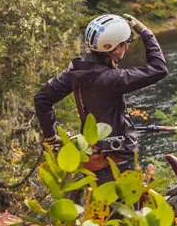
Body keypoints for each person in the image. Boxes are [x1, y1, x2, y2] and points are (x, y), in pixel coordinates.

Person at [34, 13, 167, 179]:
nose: (127, 48)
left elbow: (42, 98)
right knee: (125, 204)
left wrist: (50, 136)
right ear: (116, 49)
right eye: (125, 44)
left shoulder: (76, 71)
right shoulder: (111, 79)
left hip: (90, 155)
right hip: (118, 160)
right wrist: (147, 33)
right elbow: (159, 68)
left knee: (98, 204)